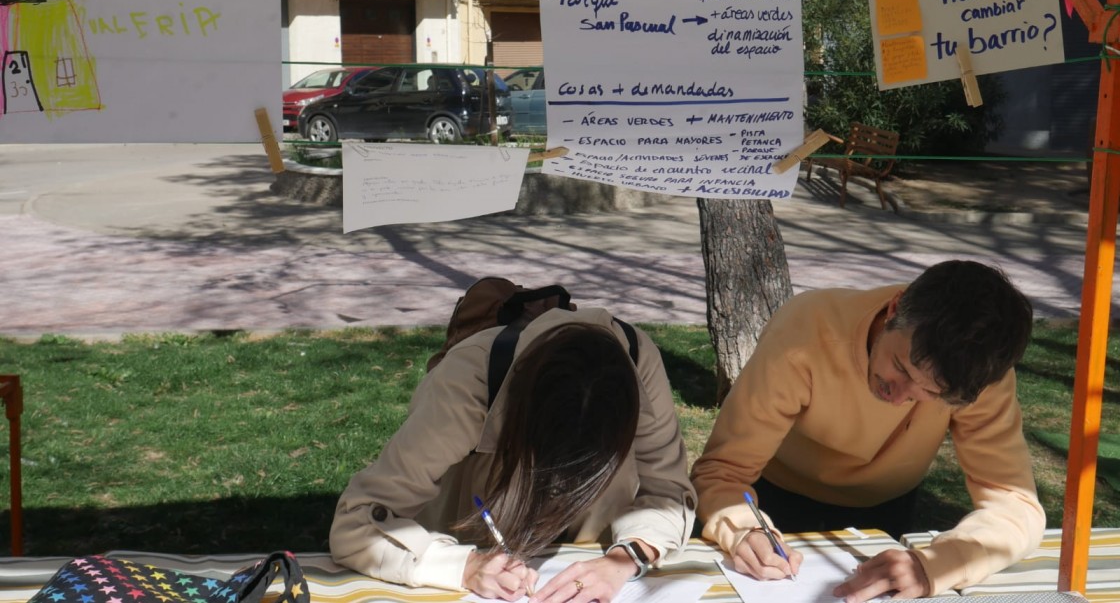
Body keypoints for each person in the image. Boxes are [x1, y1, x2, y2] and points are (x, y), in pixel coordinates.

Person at [691, 259, 1045, 603]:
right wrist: (741, 528)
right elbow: (722, 472)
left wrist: (937, 564)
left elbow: (1016, 506)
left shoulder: (979, 373)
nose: (900, 398)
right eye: (901, 368)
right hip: (772, 499)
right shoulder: (806, 330)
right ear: (893, 310)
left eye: (932, 394)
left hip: (889, 506)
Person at [330, 306, 696, 602]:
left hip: (593, 558)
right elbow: (357, 525)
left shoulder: (638, 361)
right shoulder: (466, 383)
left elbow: (666, 491)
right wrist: (467, 567)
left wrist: (623, 560)